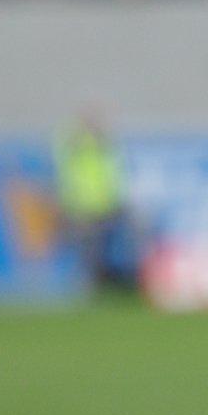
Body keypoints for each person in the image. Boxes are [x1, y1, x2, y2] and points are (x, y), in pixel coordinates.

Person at [53, 109, 137, 293]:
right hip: (84, 207)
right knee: (90, 249)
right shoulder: (77, 144)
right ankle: (93, 284)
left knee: (117, 240)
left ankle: (124, 277)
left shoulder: (105, 144)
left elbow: (114, 174)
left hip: (107, 203)